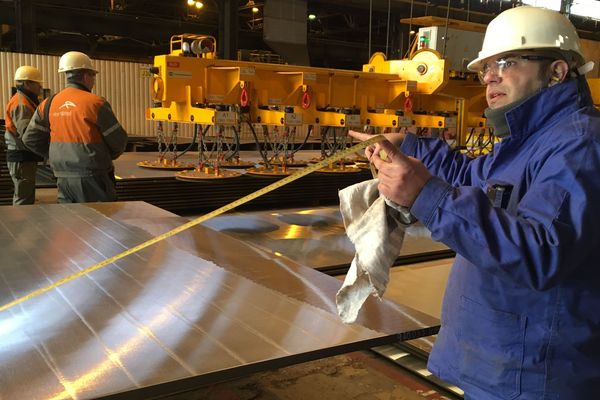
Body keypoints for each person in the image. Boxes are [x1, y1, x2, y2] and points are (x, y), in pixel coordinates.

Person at [350, 6, 600, 399]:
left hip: (537, 375)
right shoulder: (529, 140)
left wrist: (423, 192)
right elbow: (474, 179)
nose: (489, 77)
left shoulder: (580, 145)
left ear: (556, 71)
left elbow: (541, 251)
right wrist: (413, 147)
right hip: (504, 362)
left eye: (506, 62)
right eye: (485, 68)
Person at [22, 51, 127, 203]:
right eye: (93, 76)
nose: (93, 81)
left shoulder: (48, 104)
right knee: (99, 221)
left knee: (71, 221)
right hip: (92, 177)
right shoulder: (95, 103)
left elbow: (29, 139)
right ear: (85, 76)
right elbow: (119, 141)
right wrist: (101, 157)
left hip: (62, 177)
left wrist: (55, 154)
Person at [4, 66, 45, 205]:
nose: (40, 87)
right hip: (21, 157)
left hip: (23, 156)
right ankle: (20, 226)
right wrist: (46, 149)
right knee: (24, 199)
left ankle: (23, 224)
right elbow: (28, 134)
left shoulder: (26, 100)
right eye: (37, 84)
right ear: (27, 83)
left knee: (26, 196)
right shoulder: (22, 104)